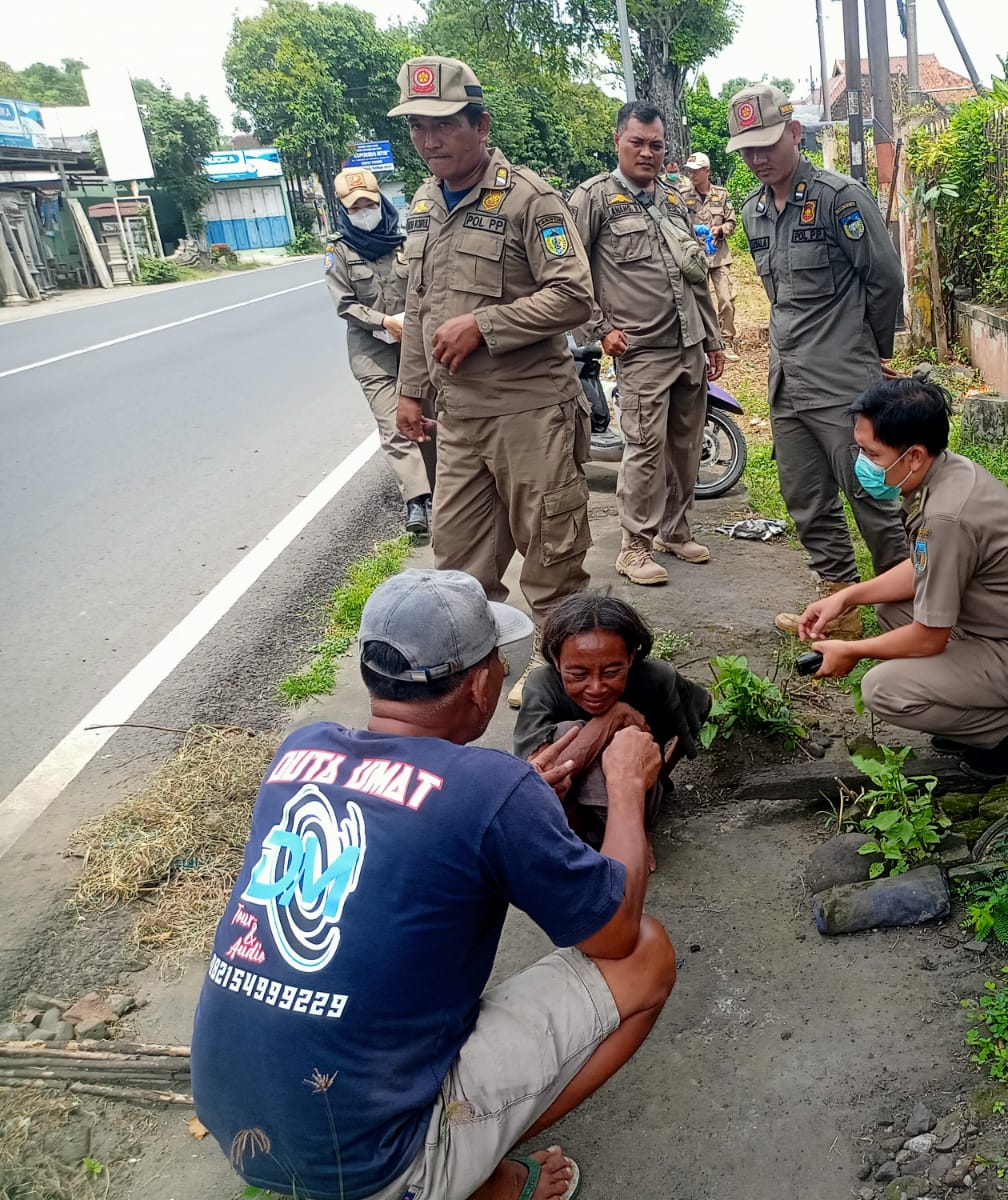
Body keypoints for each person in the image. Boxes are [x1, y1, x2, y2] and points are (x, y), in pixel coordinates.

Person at [192, 568, 676, 1200]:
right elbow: (613, 934)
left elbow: (421, 808)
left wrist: (511, 797)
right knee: (649, 952)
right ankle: (458, 1173)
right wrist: (626, 787)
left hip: (234, 1118)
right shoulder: (489, 788)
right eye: (500, 662)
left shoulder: (300, 748)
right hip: (369, 1168)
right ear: (480, 685)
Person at [390, 56, 597, 709]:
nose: (429, 140)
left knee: (551, 556)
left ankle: (556, 678)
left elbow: (574, 297)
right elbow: (420, 304)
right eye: (418, 127)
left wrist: (484, 324)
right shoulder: (424, 202)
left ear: (480, 124)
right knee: (455, 561)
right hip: (461, 419)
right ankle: (479, 668)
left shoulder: (528, 199)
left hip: (531, 410)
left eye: (443, 125)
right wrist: (409, 389)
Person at [801, 379, 1008, 780]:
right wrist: (848, 597)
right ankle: (976, 711)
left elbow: (928, 637)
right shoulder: (947, 471)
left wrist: (855, 651)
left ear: (914, 455)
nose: (862, 462)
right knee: (893, 608)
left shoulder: (946, 517)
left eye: (871, 453)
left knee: (884, 689)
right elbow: (923, 566)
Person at [728, 82, 908, 640]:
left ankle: (909, 613)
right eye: (748, 149)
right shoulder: (755, 211)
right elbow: (777, 293)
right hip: (787, 382)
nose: (758, 158)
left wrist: (872, 352)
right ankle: (842, 608)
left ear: (794, 132)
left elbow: (885, 278)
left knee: (872, 500)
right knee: (806, 499)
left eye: (767, 144)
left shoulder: (839, 198)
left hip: (843, 383)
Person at [570, 103, 726, 587]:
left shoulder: (675, 200)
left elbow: (695, 275)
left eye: (656, 144)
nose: (647, 152)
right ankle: (634, 546)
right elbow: (569, 274)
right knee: (644, 447)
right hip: (639, 350)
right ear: (618, 140)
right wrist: (599, 330)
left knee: (685, 445)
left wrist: (714, 339)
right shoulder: (593, 198)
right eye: (637, 141)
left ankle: (675, 532)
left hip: (688, 344)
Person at [513, 591, 711, 854]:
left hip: (636, 797)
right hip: (566, 808)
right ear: (557, 660)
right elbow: (541, 779)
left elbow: (701, 704)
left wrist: (662, 774)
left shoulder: (657, 678)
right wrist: (612, 716)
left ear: (631, 657)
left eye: (612, 672)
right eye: (578, 673)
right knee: (567, 733)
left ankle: (627, 838)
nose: (596, 688)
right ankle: (578, 844)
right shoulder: (543, 685)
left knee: (624, 742)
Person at [324, 167, 436, 535]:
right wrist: (383, 322)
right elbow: (345, 304)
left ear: (381, 202)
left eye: (369, 204)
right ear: (344, 210)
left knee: (430, 422)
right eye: (355, 208)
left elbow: (427, 288)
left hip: (417, 350)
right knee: (396, 427)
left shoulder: (406, 244)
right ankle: (416, 501)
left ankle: (440, 493)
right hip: (373, 354)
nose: (364, 212)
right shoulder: (339, 251)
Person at [683, 151, 740, 361]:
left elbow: (732, 222)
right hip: (695, 258)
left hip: (719, 257)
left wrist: (720, 230)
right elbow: (678, 224)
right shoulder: (683, 195)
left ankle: (727, 341)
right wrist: (692, 229)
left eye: (696, 171)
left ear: (707, 171)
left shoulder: (722, 194)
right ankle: (706, 343)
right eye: (689, 171)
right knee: (699, 301)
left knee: (725, 299)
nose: (692, 175)